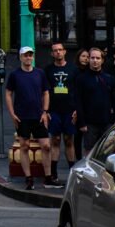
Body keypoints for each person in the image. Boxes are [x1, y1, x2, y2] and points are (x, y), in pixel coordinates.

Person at [4, 47, 54, 190]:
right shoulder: (15, 75)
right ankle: (28, 177)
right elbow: (8, 94)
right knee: (24, 146)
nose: (28, 58)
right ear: (20, 57)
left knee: (46, 145)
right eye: (25, 55)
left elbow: (46, 93)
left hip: (38, 116)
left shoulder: (40, 73)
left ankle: (48, 176)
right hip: (22, 116)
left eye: (30, 55)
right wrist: (12, 114)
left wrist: (45, 111)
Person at [44, 41, 78, 184]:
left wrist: (77, 110)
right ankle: (53, 173)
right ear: (52, 54)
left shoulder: (73, 69)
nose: (58, 52)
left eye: (60, 50)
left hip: (69, 110)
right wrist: (46, 111)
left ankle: (72, 173)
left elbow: (78, 90)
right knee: (55, 140)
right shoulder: (47, 70)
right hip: (54, 111)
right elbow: (44, 91)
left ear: (65, 52)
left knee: (69, 140)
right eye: (55, 50)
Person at [75, 47, 115, 154]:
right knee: (89, 151)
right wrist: (81, 123)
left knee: (108, 150)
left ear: (102, 60)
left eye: (98, 58)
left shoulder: (110, 78)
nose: (95, 60)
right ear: (88, 59)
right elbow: (78, 101)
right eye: (92, 58)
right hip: (89, 123)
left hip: (107, 121)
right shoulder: (81, 79)